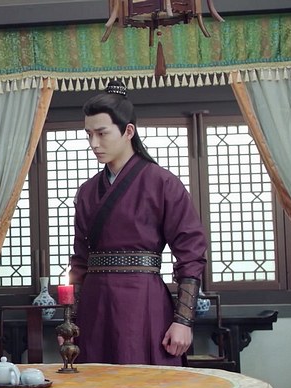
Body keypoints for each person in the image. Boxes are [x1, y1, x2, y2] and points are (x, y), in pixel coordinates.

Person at [67, 79, 207, 366]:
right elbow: (80, 261)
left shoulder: (163, 183)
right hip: (95, 305)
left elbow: (191, 254)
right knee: (95, 382)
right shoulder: (87, 191)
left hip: (143, 302)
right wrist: (70, 321)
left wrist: (183, 320)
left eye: (102, 133)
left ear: (128, 131)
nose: (94, 144)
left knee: (146, 380)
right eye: (89, 134)